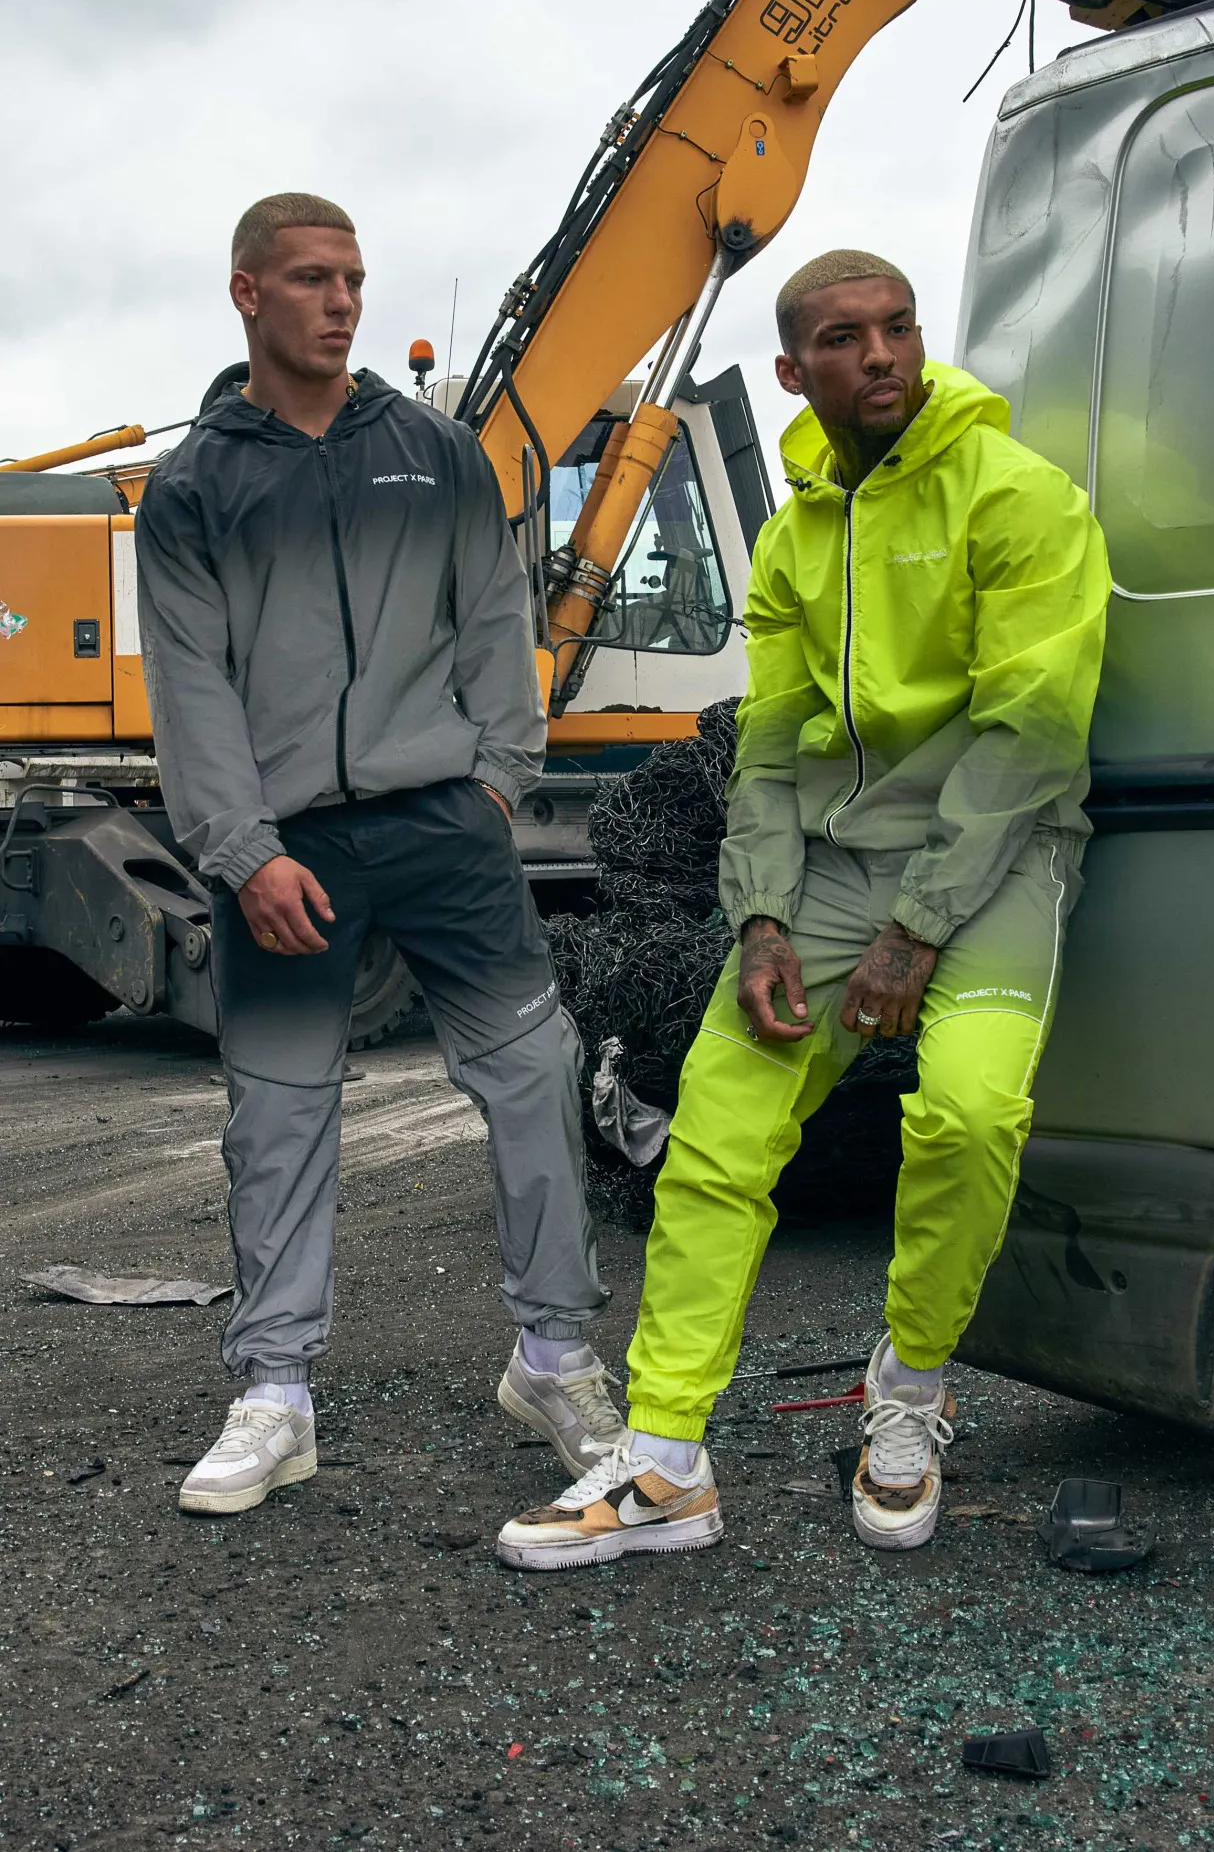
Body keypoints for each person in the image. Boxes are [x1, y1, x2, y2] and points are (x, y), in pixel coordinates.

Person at [496, 248, 1110, 1571]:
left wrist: (921, 923)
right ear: (794, 370)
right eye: (844, 337)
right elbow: (767, 750)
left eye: (896, 328)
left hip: (994, 861)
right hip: (828, 873)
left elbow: (1032, 729)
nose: (879, 353)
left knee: (968, 1111)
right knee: (717, 1132)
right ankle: (663, 1462)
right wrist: (762, 917)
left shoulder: (1017, 496)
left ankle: (912, 1385)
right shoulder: (790, 538)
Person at [137, 192, 623, 1516]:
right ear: (248, 294)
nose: (343, 300)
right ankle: (276, 1393)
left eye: (353, 277)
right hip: (287, 849)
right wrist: (241, 852)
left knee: (534, 1075)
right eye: (311, 279)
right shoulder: (192, 490)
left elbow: (492, 618)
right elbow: (191, 689)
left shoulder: (434, 452)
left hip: (441, 826)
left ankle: (554, 1357)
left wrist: (492, 786)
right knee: (282, 1116)